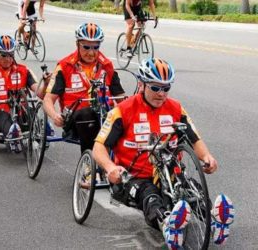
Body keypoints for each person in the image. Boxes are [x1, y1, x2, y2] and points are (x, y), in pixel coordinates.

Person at [92, 58, 235, 249]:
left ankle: (214, 217)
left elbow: (194, 138)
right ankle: (168, 225)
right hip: (136, 176)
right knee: (150, 196)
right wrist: (110, 168)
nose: (161, 94)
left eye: (166, 88)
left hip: (169, 172)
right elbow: (98, 147)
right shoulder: (123, 110)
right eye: (155, 88)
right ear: (142, 84)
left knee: (189, 188)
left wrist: (207, 157)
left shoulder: (176, 108)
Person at [43, 23, 125, 153]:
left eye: (95, 47)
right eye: (86, 47)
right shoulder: (64, 66)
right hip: (75, 117)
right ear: (77, 44)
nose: (91, 53)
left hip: (105, 114)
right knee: (87, 114)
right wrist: (54, 116)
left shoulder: (107, 65)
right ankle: (88, 164)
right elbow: (48, 100)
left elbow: (121, 97)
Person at [0, 35, 49, 152]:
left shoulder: (22, 71)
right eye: (4, 55)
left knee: (32, 110)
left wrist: (47, 83)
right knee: (3, 113)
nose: (7, 59)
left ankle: (40, 131)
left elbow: (41, 94)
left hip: (20, 115)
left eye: (10, 55)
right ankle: (13, 137)